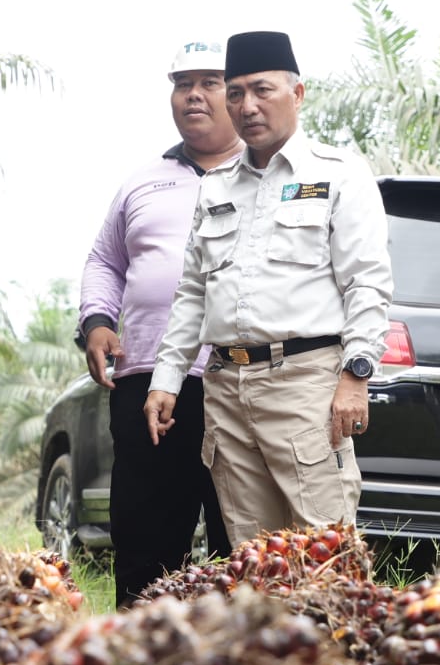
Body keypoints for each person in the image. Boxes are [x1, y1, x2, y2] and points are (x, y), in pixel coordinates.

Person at [142, 31, 393, 546]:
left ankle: (334, 630)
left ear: (297, 94)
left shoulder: (338, 174)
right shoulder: (217, 186)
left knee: (325, 550)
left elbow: (366, 282)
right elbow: (193, 291)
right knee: (254, 557)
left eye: (262, 90)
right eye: (235, 93)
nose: (247, 106)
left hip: (306, 386)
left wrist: (356, 373)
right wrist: (165, 379)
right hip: (227, 390)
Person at [78, 40, 241, 606]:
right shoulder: (143, 179)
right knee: (146, 534)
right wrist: (97, 322)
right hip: (146, 382)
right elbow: (104, 260)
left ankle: (235, 661)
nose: (193, 94)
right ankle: (135, 654)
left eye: (210, 81)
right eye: (182, 82)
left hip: (239, 382)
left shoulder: (269, 173)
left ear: (239, 90)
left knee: (239, 541)